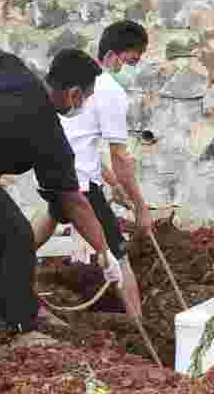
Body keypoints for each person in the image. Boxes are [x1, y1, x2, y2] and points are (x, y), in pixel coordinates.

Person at [0, 43, 120, 337]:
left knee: (11, 231)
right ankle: (22, 326)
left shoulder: (12, 68)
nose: (86, 104)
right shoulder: (48, 133)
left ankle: (15, 300)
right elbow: (74, 202)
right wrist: (105, 252)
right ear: (74, 94)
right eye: (87, 98)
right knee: (17, 235)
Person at [31, 21, 152, 318]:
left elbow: (85, 145)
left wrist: (115, 185)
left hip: (57, 176)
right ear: (112, 55)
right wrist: (141, 207)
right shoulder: (110, 92)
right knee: (117, 256)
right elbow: (120, 157)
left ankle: (4, 262)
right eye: (131, 61)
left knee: (51, 213)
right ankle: (141, 328)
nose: (131, 68)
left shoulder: (79, 80)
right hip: (80, 186)